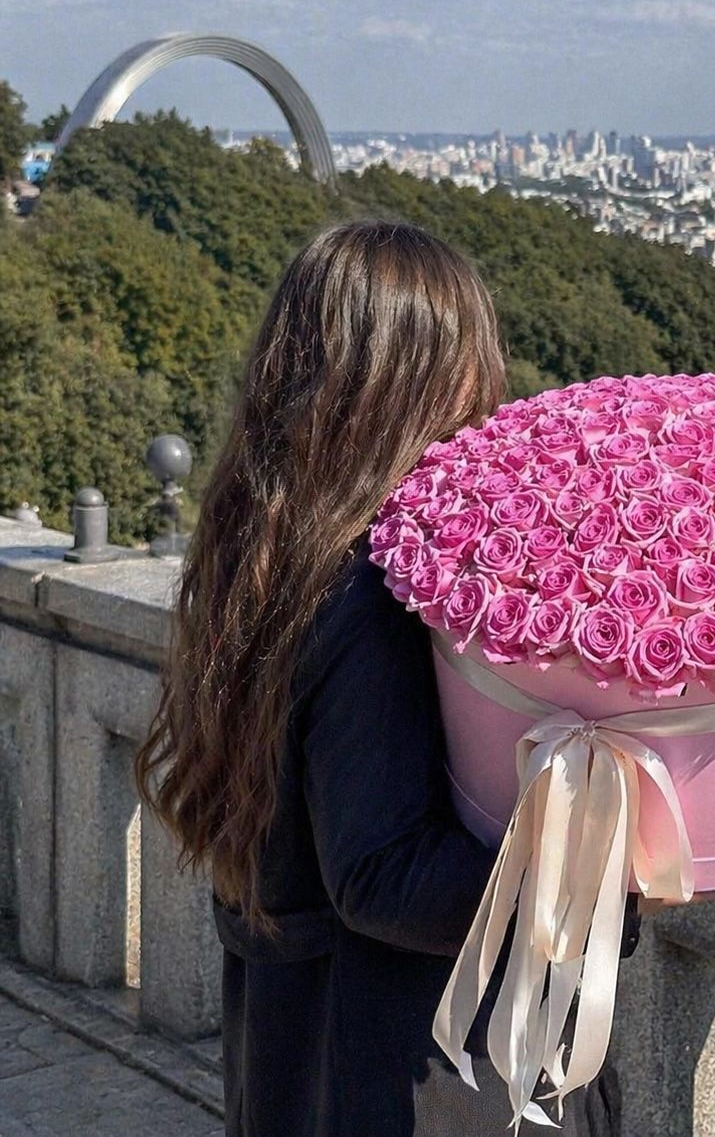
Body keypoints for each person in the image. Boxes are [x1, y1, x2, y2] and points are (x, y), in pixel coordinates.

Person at [135, 221, 637, 1136]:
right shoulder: (373, 592)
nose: (486, 395)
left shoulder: (267, 561)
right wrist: (593, 881)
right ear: (417, 383)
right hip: (406, 1071)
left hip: (297, 1049)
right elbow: (382, 875)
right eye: (470, 362)